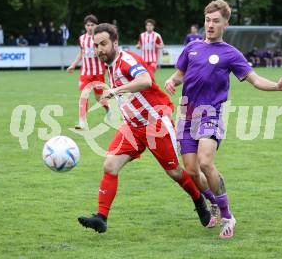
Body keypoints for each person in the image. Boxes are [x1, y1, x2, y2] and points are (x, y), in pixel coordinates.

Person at [164, 0, 282, 239]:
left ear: (226, 24)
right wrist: (172, 81)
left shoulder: (230, 54)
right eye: (207, 20)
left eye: (215, 21)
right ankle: (213, 200)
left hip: (211, 114)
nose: (210, 25)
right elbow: (180, 74)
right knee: (191, 172)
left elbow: (254, 79)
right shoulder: (191, 48)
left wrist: (276, 86)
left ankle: (227, 215)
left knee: (205, 162)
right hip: (186, 115)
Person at [77, 23, 211, 233]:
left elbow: (145, 80)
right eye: (96, 45)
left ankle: (199, 200)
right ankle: (101, 217)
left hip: (155, 122)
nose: (99, 49)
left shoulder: (126, 60)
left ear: (115, 42)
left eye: (103, 44)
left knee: (175, 172)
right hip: (132, 126)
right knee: (110, 166)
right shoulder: (109, 64)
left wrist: (115, 90)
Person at [67, 15, 110, 130]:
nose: (90, 27)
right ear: (85, 26)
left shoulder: (100, 39)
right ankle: (82, 122)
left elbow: (107, 53)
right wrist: (73, 64)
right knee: (83, 96)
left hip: (99, 72)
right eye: (88, 25)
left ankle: (108, 109)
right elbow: (81, 53)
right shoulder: (82, 39)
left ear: (96, 25)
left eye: (92, 25)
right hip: (85, 73)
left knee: (99, 97)